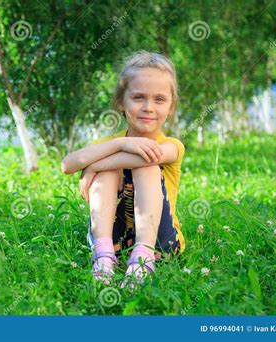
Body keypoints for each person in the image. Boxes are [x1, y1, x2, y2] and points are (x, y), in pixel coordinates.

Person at [61, 51, 186, 288]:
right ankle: (104, 256)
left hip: (161, 244)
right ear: (122, 101)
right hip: (115, 241)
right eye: (138, 97)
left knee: (146, 163)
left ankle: (143, 259)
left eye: (159, 99)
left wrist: (94, 166)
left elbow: (152, 155)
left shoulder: (172, 146)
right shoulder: (109, 144)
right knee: (111, 171)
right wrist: (120, 143)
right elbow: (67, 165)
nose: (149, 107)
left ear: (171, 106)